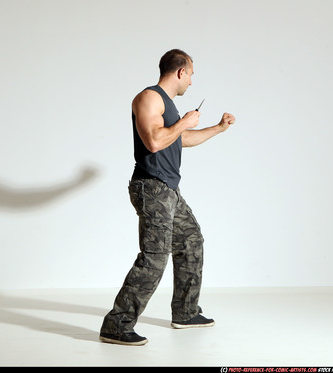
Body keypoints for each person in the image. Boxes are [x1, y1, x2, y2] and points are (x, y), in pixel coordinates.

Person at [99, 49, 236, 346]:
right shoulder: (149, 97)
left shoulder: (170, 108)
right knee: (155, 257)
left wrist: (218, 128)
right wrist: (185, 122)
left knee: (191, 240)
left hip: (168, 189)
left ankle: (185, 313)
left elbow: (180, 139)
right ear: (181, 71)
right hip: (152, 187)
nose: (191, 83)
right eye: (191, 75)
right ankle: (117, 324)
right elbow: (154, 141)